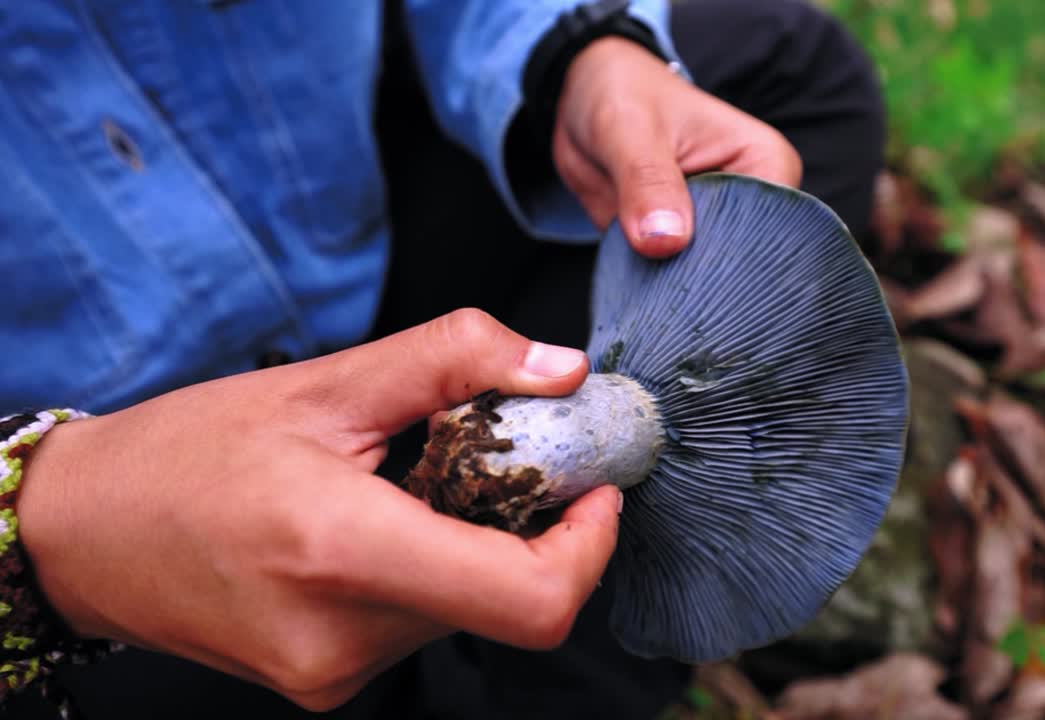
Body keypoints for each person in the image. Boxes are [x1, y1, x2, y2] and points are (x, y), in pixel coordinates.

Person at [0, 0, 885, 718]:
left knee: (783, 83)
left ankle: (521, 674)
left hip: (357, 235)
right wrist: (55, 529)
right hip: (105, 489)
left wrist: (572, 52)